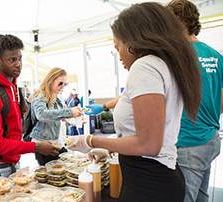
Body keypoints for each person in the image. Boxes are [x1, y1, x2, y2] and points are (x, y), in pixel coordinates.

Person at [68, 2, 201, 202]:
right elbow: (148, 135)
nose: (118, 54)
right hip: (158, 177)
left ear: (133, 41)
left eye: (117, 46)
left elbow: (148, 144)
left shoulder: (145, 66)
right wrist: (109, 149)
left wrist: (90, 141)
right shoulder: (165, 65)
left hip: (149, 183)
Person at [0, 34, 59, 180]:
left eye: (19, 58)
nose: (18, 64)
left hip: (12, 161)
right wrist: (36, 147)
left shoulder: (11, 84)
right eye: (12, 60)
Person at [167, 1, 223, 202]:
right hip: (210, 138)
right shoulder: (216, 56)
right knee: (201, 195)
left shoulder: (178, 56)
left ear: (179, 23)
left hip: (189, 142)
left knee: (185, 198)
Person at [30, 67, 83, 165]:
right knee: (55, 176)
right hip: (45, 145)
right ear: (50, 81)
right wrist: (70, 112)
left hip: (57, 143)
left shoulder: (56, 97)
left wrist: (76, 118)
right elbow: (41, 114)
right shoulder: (41, 96)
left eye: (65, 84)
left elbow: (59, 116)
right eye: (60, 83)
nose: (63, 86)